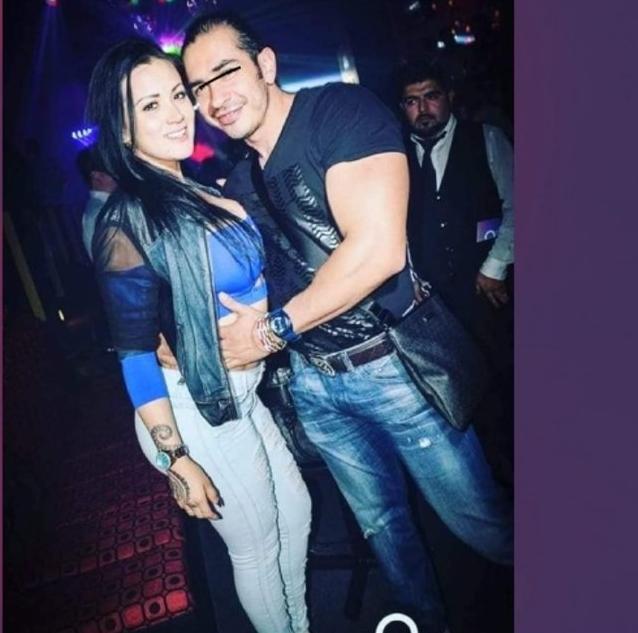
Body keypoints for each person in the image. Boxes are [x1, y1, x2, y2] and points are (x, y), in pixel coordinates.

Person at [182, 13, 512, 633]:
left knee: (484, 524)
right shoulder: (241, 180)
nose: (214, 97)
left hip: (394, 367)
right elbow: (257, 281)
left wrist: (268, 332)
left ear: (265, 64)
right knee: (385, 532)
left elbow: (377, 251)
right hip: (315, 383)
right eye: (198, 86)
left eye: (225, 72)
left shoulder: (339, 113)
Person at [83, 38, 311, 633]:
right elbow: (135, 352)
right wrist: (176, 456)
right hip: (194, 410)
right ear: (123, 128)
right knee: (258, 548)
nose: (177, 113)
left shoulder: (200, 188)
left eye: (178, 95)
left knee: (298, 513)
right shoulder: (128, 219)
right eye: (151, 105)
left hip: (242, 393)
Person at [397, 60, 515, 484]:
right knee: (461, 398)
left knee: (507, 382)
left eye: (431, 96)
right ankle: (490, 482)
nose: (423, 109)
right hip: (434, 304)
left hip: (488, 290)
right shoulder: (394, 155)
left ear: (448, 97)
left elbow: (519, 204)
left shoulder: (485, 138)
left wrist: (495, 267)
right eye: (412, 101)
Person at [77, 147, 117, 261]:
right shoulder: (100, 212)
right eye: (110, 168)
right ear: (97, 176)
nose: (117, 172)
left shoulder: (106, 206)